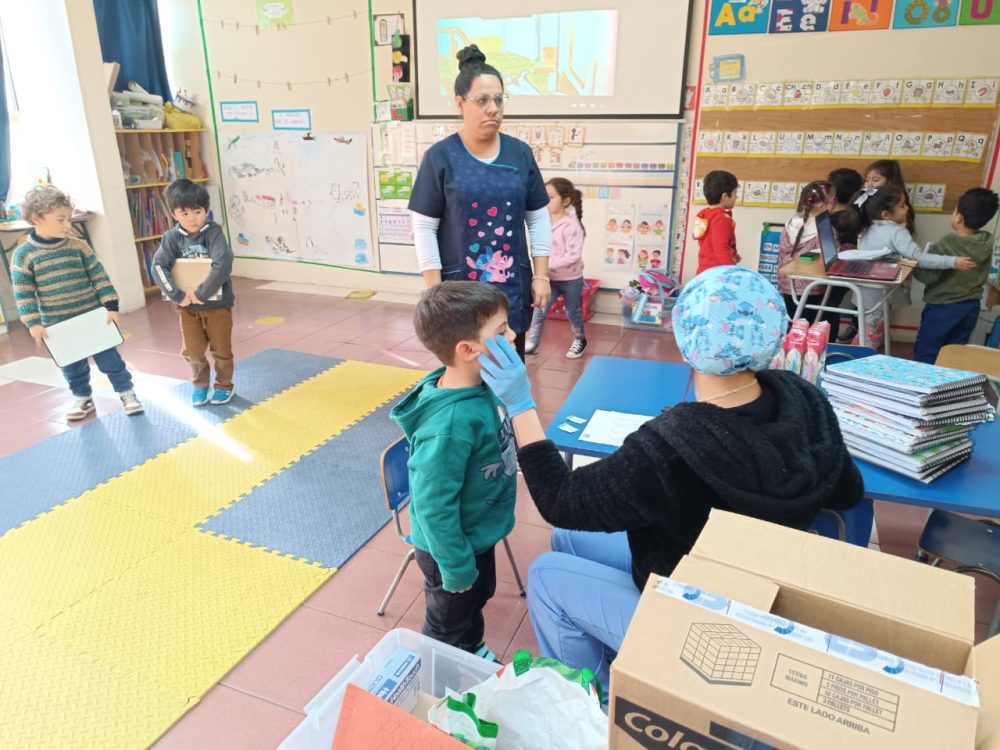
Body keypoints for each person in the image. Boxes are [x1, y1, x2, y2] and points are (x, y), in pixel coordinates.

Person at [478, 266, 863, 692]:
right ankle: (617, 655)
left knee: (546, 575)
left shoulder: (671, 446)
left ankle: (600, 706)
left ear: (686, 339)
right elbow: (849, 490)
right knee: (569, 542)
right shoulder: (803, 396)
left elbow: (559, 500)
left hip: (701, 618)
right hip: (764, 586)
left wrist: (519, 403)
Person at [390, 281, 518, 660]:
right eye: (502, 332)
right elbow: (432, 507)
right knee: (446, 624)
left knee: (476, 601)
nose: (512, 336)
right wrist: (457, 566)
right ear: (467, 350)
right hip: (452, 547)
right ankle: (439, 677)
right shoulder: (450, 425)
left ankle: (471, 648)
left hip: (478, 531)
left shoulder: (481, 384)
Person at [408, 44, 551, 359]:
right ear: (460, 103)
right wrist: (434, 292)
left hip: (512, 285)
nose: (493, 109)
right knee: (466, 368)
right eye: (482, 100)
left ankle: (505, 411)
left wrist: (541, 275)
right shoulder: (440, 157)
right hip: (459, 291)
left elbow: (538, 217)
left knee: (510, 369)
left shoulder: (520, 154)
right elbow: (423, 227)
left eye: (499, 100)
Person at [10, 185, 143, 420]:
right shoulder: (24, 255)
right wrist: (33, 323)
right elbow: (24, 293)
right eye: (60, 220)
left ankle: (126, 392)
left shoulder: (78, 246)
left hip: (92, 316)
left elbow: (98, 275)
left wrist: (110, 305)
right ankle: (83, 398)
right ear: (37, 218)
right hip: (57, 324)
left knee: (111, 361)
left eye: (68, 219)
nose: (67, 225)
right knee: (72, 368)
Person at [853, 186, 976, 347]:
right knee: (872, 334)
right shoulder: (896, 232)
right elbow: (919, 258)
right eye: (903, 205)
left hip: (863, 290)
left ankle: (854, 355)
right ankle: (857, 363)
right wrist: (952, 261)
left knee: (866, 328)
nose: (907, 209)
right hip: (879, 292)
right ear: (886, 215)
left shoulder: (866, 228)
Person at [152, 179, 236, 406]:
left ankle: (224, 385)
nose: (192, 218)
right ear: (174, 214)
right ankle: (200, 384)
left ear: (206, 211)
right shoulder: (171, 238)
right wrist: (178, 295)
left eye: (198, 212)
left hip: (217, 307)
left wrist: (203, 292)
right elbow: (158, 267)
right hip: (187, 308)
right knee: (193, 351)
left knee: (222, 350)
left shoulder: (213, 232)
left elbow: (223, 263)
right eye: (185, 213)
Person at [913, 188, 999, 364]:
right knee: (954, 353)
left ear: (959, 217)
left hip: (942, 307)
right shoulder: (985, 242)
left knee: (927, 351)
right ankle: (946, 388)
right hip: (970, 306)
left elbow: (928, 277)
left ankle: (921, 387)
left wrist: (915, 265)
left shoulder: (947, 244)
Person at [525, 178, 588, 359]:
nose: (546, 201)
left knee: (572, 311)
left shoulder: (572, 226)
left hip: (571, 279)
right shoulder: (544, 222)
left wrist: (546, 265)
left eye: (551, 197)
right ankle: (533, 342)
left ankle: (579, 339)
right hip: (549, 278)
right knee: (539, 309)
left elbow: (573, 256)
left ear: (566, 201)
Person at [777, 181, 843, 339]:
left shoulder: (791, 223)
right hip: (812, 287)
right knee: (819, 324)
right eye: (833, 200)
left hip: (788, 285)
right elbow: (832, 256)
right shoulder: (824, 228)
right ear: (821, 205)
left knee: (796, 326)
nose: (835, 204)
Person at [827, 168, 864, 342]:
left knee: (828, 305)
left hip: (833, 272)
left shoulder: (832, 219)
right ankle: (830, 340)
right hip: (848, 271)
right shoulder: (857, 215)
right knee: (831, 305)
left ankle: (828, 341)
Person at [693, 170, 739, 274]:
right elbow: (720, 248)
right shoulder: (721, 218)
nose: (737, 197)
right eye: (735, 193)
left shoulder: (705, 214)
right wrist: (732, 271)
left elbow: (706, 242)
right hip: (717, 274)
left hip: (704, 270)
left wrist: (733, 254)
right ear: (725, 197)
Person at [865, 159, 915, 235]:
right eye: (867, 180)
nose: (869, 185)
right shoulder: (864, 199)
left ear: (890, 181)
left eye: (875, 180)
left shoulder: (898, 202)